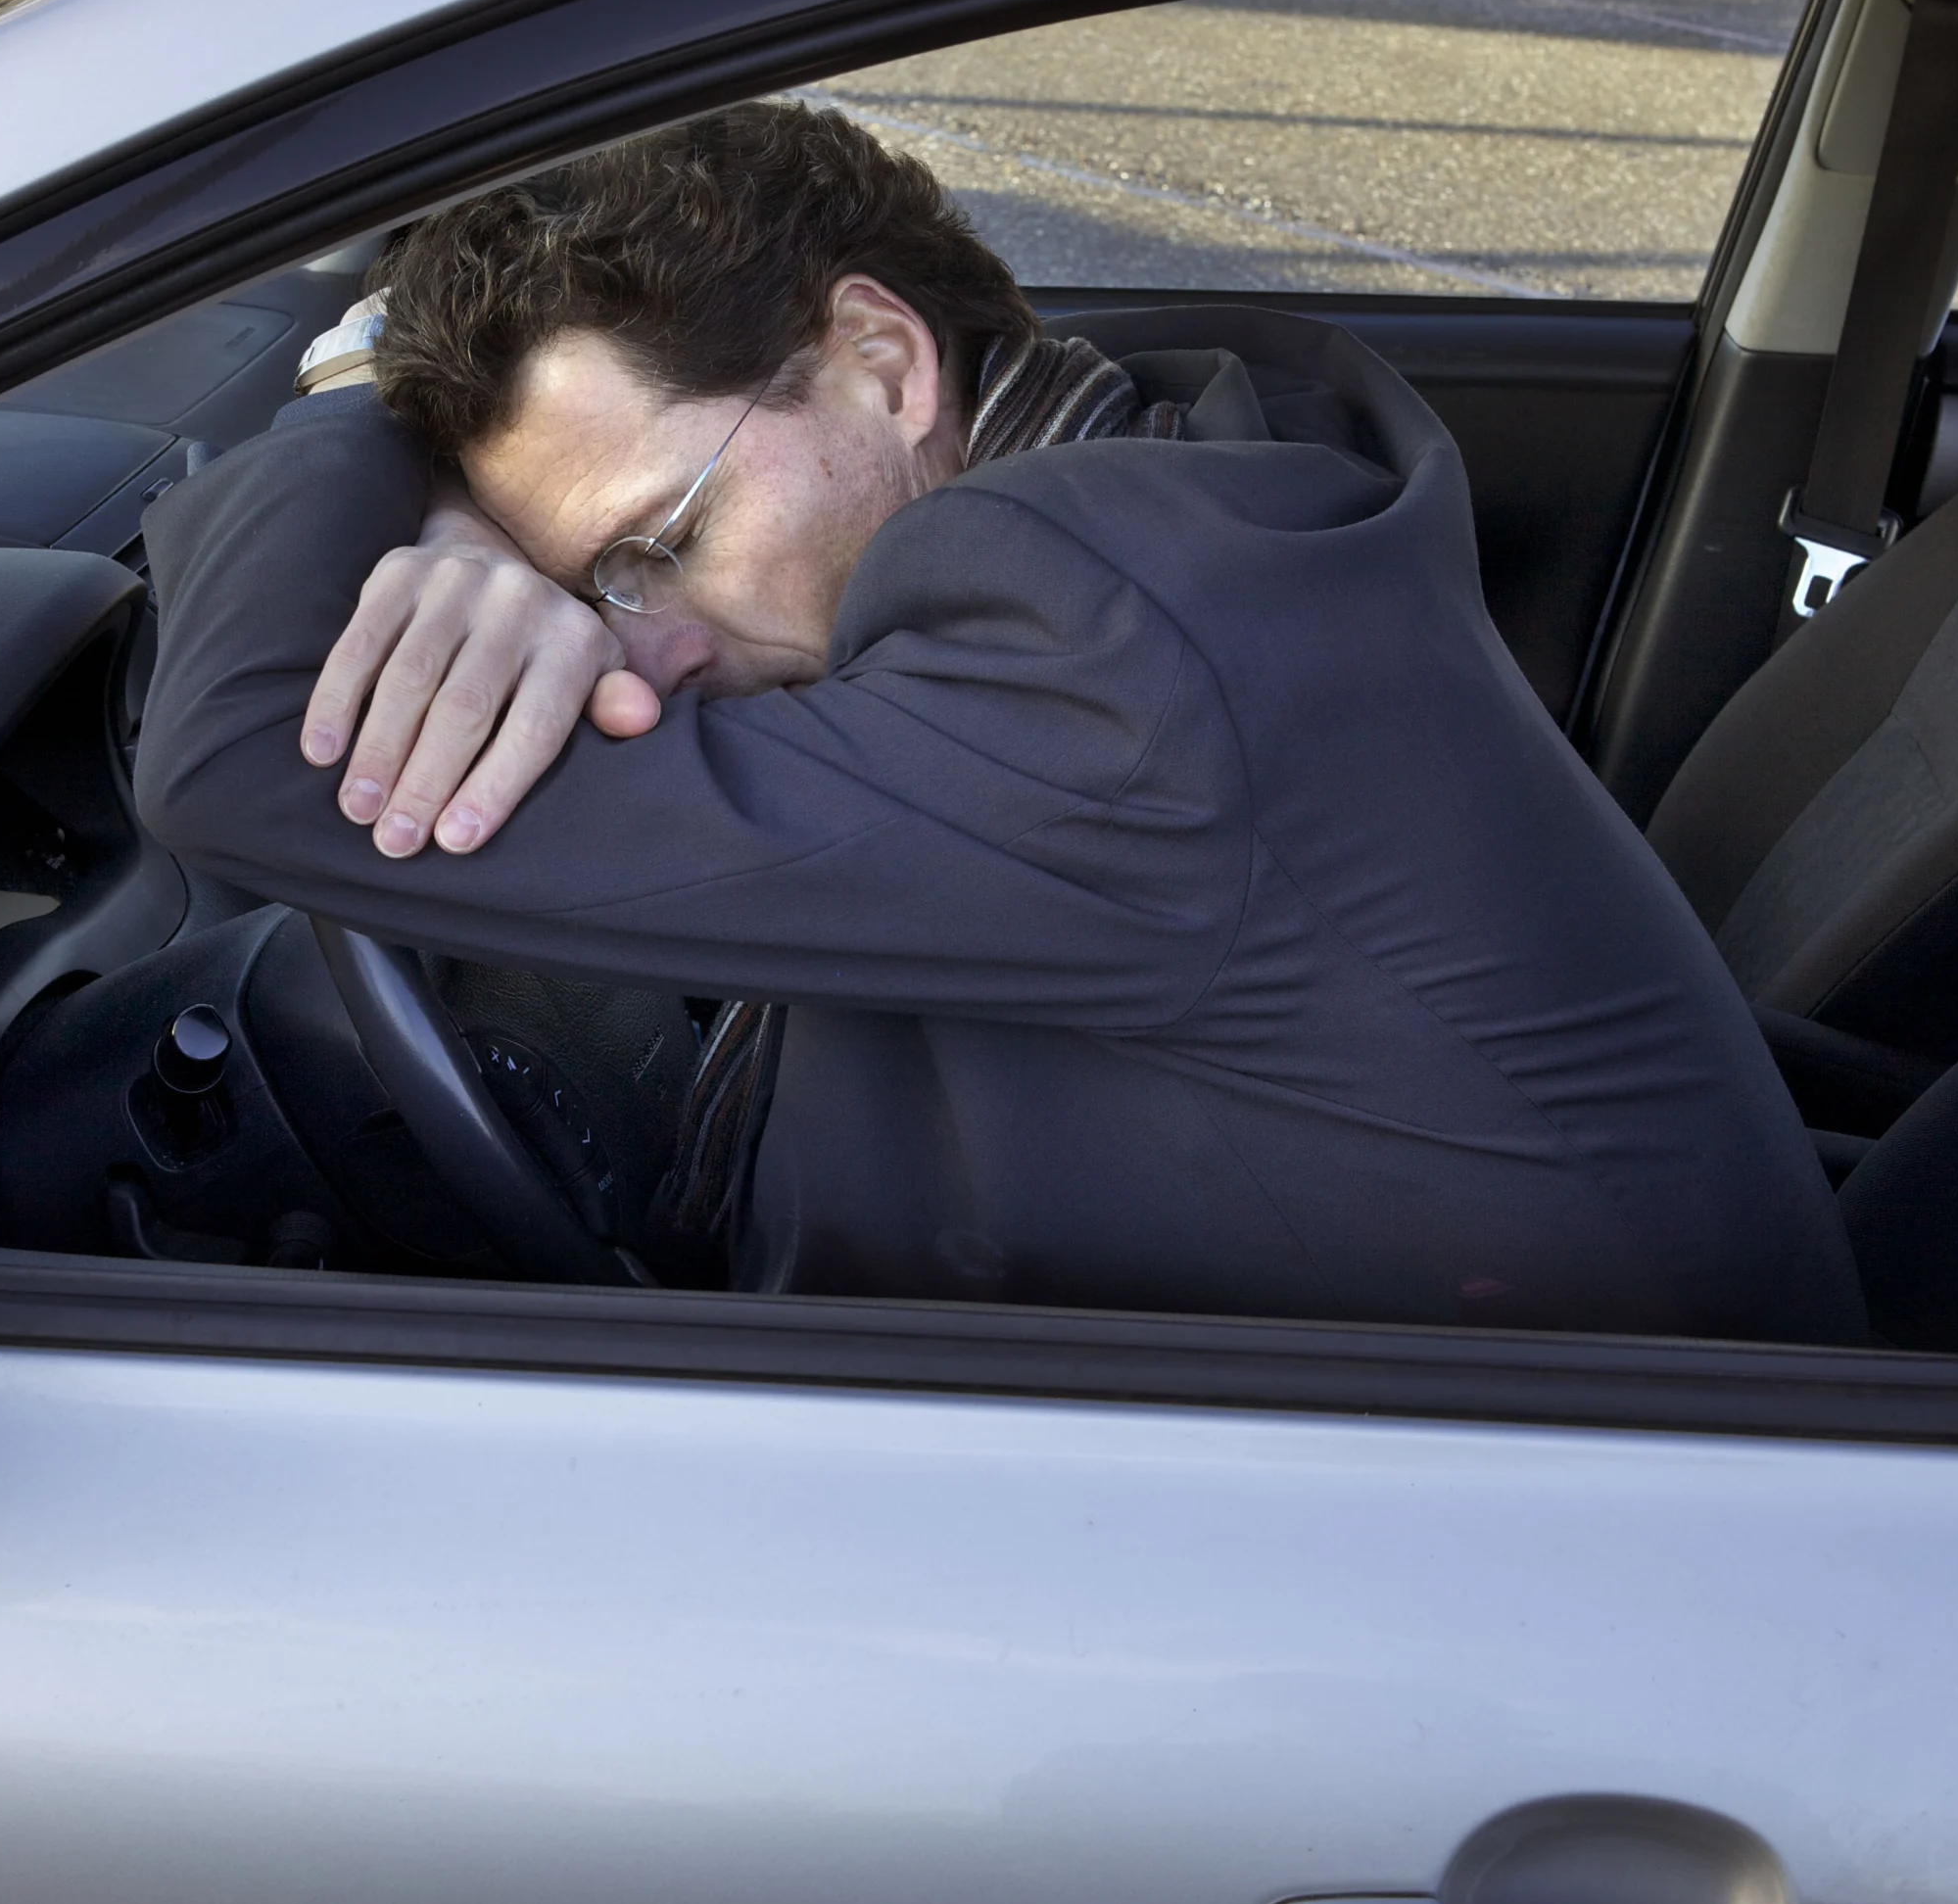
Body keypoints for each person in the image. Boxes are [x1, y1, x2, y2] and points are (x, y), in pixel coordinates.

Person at [134, 101, 1857, 1339]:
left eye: (658, 548)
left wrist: (364, 397)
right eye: (585, 595)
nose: (635, 658)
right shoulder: (1148, 478)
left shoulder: (1104, 648)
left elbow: (243, 761)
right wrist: (469, 530)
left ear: (883, 361)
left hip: (1520, 1575)